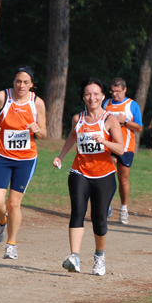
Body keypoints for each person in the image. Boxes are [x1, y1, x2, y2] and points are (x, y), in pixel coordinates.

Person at [53, 77, 124, 276]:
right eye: (87, 94)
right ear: (83, 97)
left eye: (95, 94)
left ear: (103, 96)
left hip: (104, 174)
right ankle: (74, 256)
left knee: (99, 217)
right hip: (80, 171)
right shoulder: (79, 118)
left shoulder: (109, 119)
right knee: (77, 211)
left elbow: (121, 148)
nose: (91, 98)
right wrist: (61, 156)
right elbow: (72, 136)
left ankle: (99, 256)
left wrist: (104, 142)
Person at [0, 66, 47, 260]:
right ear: (13, 82)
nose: (22, 85)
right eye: (18, 81)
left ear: (32, 85)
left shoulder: (37, 103)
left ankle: (11, 245)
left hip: (26, 160)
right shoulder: (2, 97)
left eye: (26, 82)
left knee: (13, 203)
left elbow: (44, 133)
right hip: (2, 156)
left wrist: (37, 129)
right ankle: (2, 221)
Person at [103, 78, 143, 224]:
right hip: (108, 146)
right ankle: (106, 206)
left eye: (118, 92)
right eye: (112, 91)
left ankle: (124, 208)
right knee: (108, 175)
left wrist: (125, 122)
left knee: (123, 179)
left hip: (126, 147)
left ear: (124, 90)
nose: (115, 95)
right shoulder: (106, 104)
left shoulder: (132, 105)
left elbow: (139, 127)